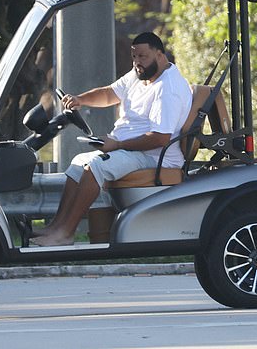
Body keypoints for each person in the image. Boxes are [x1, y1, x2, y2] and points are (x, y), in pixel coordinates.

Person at [31, 32, 192, 246]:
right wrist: (81, 100)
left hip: (154, 156)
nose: (137, 63)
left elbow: (160, 138)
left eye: (142, 57)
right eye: (134, 57)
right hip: (130, 150)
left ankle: (66, 233)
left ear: (160, 55)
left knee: (96, 166)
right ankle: (56, 227)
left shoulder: (167, 89)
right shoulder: (140, 75)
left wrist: (117, 145)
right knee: (79, 163)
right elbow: (110, 94)